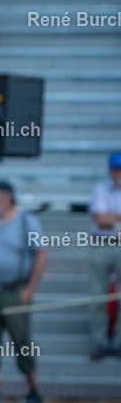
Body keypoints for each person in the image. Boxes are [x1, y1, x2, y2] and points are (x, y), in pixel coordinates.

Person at [0, 182, 47, 403]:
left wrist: (30, 289)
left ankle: (32, 390)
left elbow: (41, 255)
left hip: (15, 290)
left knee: (21, 340)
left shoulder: (26, 221)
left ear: (7, 198)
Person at [87, 153, 121, 360]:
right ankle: (100, 341)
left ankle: (118, 342)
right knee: (98, 296)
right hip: (101, 244)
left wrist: (112, 217)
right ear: (110, 171)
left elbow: (106, 217)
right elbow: (100, 220)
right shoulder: (101, 189)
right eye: (117, 169)